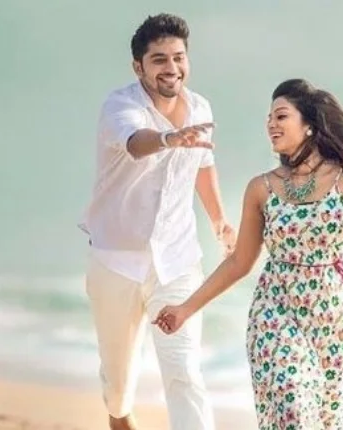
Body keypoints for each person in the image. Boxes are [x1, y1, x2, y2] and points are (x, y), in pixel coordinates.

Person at [153, 78, 343, 429]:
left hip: (335, 320)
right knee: (291, 411)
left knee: (322, 423)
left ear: (310, 125)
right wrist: (185, 309)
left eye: (281, 116)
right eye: (268, 118)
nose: (271, 124)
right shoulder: (261, 188)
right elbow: (240, 261)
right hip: (276, 312)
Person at [77, 13, 236, 430]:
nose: (171, 68)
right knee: (119, 381)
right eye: (159, 59)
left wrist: (220, 221)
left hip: (178, 261)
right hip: (116, 259)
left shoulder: (200, 107)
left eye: (179, 57)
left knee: (184, 369)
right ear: (139, 67)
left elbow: (203, 164)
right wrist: (169, 138)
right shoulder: (120, 105)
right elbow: (136, 144)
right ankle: (119, 416)